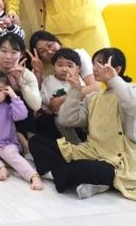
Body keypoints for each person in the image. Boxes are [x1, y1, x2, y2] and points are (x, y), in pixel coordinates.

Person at [29, 48, 136, 200]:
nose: (95, 68)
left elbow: (132, 106)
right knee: (36, 142)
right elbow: (66, 120)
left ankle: (67, 174)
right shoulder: (94, 97)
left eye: (101, 63)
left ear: (117, 69)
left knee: (88, 168)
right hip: (91, 151)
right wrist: (75, 91)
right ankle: (84, 179)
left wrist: (113, 79)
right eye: (94, 63)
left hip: (118, 159)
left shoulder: (130, 89)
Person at [0, 69, 43, 190]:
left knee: (11, 154)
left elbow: (22, 115)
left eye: (0, 90)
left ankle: (33, 176)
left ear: (6, 90)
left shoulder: (9, 106)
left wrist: (14, 96)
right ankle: (0, 168)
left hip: (7, 144)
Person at [0, 34, 42, 140]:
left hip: (18, 120)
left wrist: (20, 82)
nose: (8, 57)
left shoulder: (26, 74)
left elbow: (36, 105)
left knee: (19, 98)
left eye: (14, 52)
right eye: (4, 51)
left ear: (21, 54)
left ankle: (28, 141)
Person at [29, 30, 100, 95]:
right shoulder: (40, 68)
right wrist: (38, 73)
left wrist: (61, 99)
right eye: (42, 51)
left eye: (50, 45)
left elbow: (95, 87)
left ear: (56, 41)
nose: (49, 51)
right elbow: (36, 96)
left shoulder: (79, 55)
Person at [37, 48, 84, 142]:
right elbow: (50, 104)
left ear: (78, 69)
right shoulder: (48, 80)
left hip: (76, 113)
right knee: (60, 121)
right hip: (57, 115)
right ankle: (75, 144)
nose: (64, 69)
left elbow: (82, 97)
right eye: (60, 65)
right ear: (53, 66)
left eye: (70, 66)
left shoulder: (78, 80)